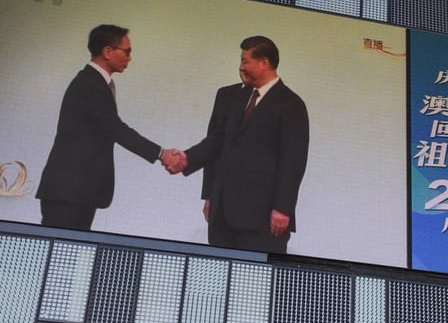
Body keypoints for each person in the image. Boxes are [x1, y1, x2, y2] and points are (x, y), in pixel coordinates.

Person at [35, 24, 184, 230]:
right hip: (68, 191)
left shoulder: (96, 82)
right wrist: (161, 153)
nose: (130, 58)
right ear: (107, 51)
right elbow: (116, 128)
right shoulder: (90, 84)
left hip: (78, 190)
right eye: (127, 51)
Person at [174, 36, 309, 254]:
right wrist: (208, 192)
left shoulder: (291, 104)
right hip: (222, 213)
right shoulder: (229, 96)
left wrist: (283, 209)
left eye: (245, 61)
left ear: (264, 63)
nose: (241, 67)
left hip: (263, 218)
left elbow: (293, 161)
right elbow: (216, 142)